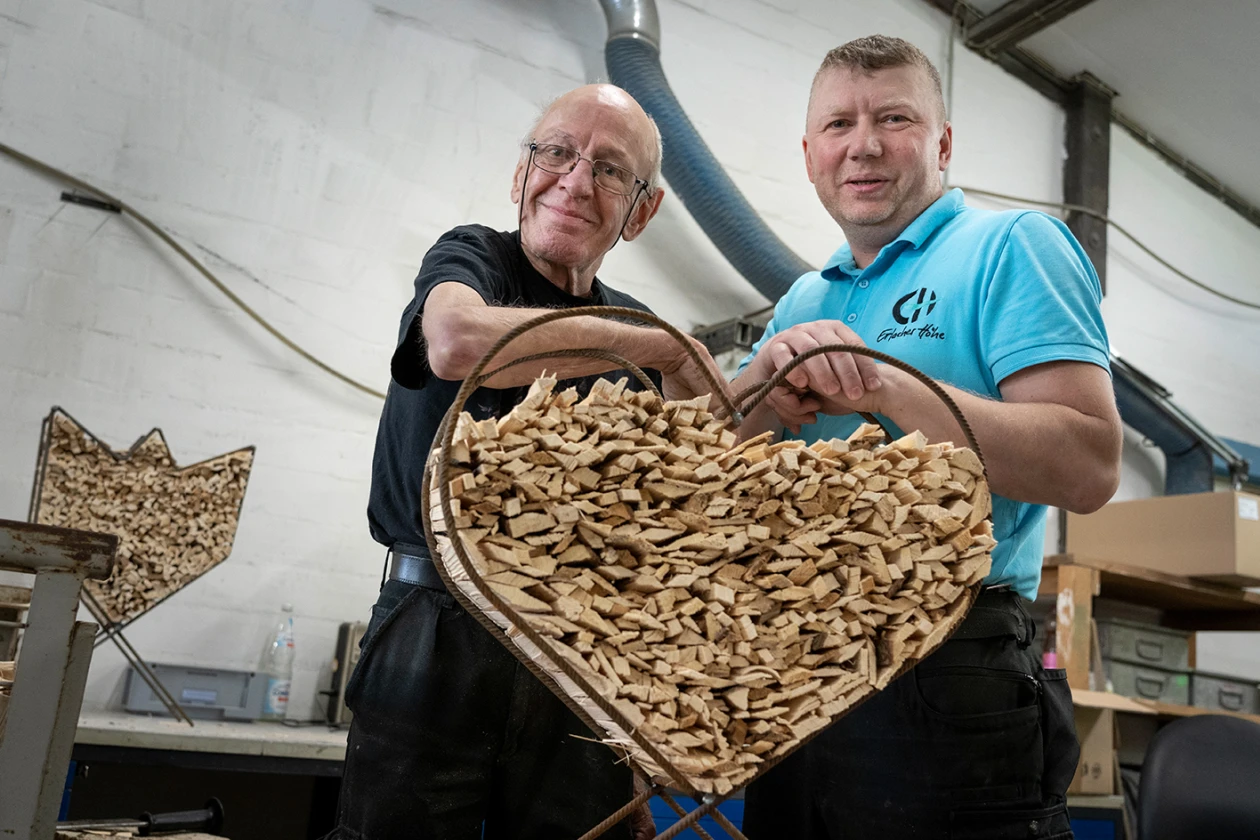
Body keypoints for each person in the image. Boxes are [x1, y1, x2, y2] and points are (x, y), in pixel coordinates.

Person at [732, 36, 1123, 839]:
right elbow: (719, 468)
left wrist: (887, 383)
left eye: (895, 117)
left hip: (946, 662)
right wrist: (757, 391)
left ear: (942, 143)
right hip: (792, 668)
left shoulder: (1014, 246)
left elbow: (1090, 462)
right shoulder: (804, 297)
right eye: (839, 124)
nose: (864, 144)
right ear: (809, 155)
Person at [332, 84, 725, 840]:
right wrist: (650, 345)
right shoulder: (472, 259)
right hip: (435, 629)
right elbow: (454, 345)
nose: (575, 181)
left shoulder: (636, 335)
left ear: (642, 211)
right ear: (521, 175)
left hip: (580, 653)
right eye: (557, 153)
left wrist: (641, 742)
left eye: (611, 170)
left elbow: (675, 525)